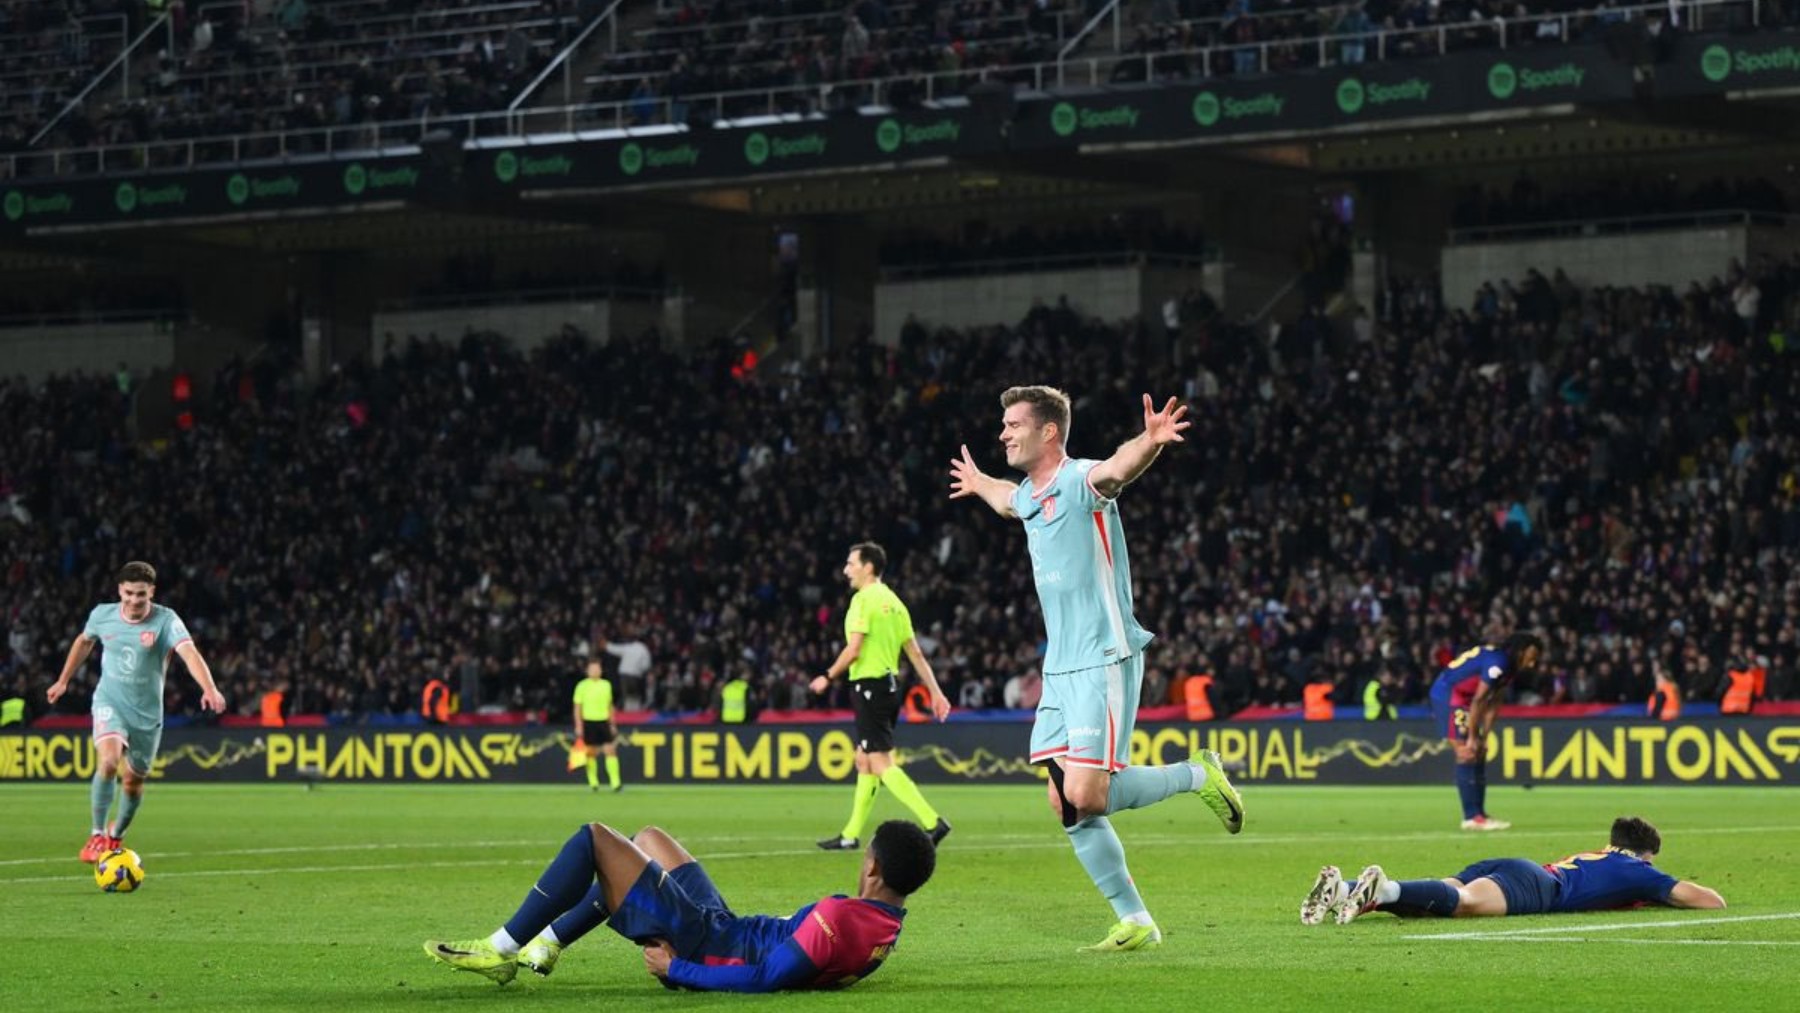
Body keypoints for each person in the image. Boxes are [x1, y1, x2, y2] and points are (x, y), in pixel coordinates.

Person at [948, 386, 1245, 952]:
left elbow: (1117, 469)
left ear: (1049, 432)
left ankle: (1198, 775)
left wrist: (1151, 441)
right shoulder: (1033, 495)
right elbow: (1009, 502)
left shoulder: (1081, 481)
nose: (1003, 433)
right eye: (1003, 425)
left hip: (1103, 654)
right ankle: (1135, 920)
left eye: (1014, 425)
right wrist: (982, 481)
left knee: (1088, 793)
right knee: (1064, 801)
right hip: (1059, 665)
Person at [423, 819, 935, 991]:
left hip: (706, 944)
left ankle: (502, 948)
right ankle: (550, 944)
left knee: (594, 840)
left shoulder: (843, 918)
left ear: (872, 868)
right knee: (646, 839)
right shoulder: (884, 928)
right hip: (726, 929)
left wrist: (678, 968)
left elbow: (768, 978)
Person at [46, 561, 226, 862]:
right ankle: (96, 835)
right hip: (109, 702)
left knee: (133, 781)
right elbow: (83, 641)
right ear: (119, 590)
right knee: (108, 762)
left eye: (140, 594)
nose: (133, 600)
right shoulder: (102, 615)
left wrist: (209, 688)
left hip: (146, 716)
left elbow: (189, 653)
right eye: (128, 593)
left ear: (151, 592)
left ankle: (115, 838)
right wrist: (63, 680)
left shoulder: (166, 621)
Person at [1300, 816, 1725, 925]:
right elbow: (1710, 901)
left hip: (1516, 866)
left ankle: (1344, 889)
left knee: (1443, 893)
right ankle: (1383, 888)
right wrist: (1654, 891)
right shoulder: (1640, 871)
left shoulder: (1599, 854)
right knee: (1462, 905)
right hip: (1540, 887)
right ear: (1644, 854)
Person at [810, 541, 954, 851]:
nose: (846, 570)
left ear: (868, 567)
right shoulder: (895, 602)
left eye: (851, 564)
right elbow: (915, 653)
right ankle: (849, 835)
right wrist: (936, 692)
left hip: (869, 687)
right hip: (890, 688)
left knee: (879, 762)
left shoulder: (863, 600)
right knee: (864, 760)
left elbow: (854, 648)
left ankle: (933, 822)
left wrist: (827, 675)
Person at [1428, 633, 1543, 831]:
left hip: (1465, 699)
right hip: (1450, 695)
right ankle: (1471, 817)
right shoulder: (1498, 664)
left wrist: (1484, 736)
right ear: (1521, 650)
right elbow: (1480, 700)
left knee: (1479, 751)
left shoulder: (1508, 667)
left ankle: (1479, 814)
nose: (1532, 663)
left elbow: (1494, 702)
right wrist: (1472, 737)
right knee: (1466, 752)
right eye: (1531, 656)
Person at [574, 660, 622, 792]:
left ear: (601, 671)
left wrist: (612, 723)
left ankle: (615, 783)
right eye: (592, 669)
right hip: (589, 721)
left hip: (603, 721)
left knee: (610, 750)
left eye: (597, 669)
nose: (595, 671)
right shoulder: (581, 686)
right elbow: (578, 707)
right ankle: (593, 783)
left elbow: (610, 706)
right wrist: (578, 725)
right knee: (591, 753)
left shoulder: (606, 685)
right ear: (587, 671)